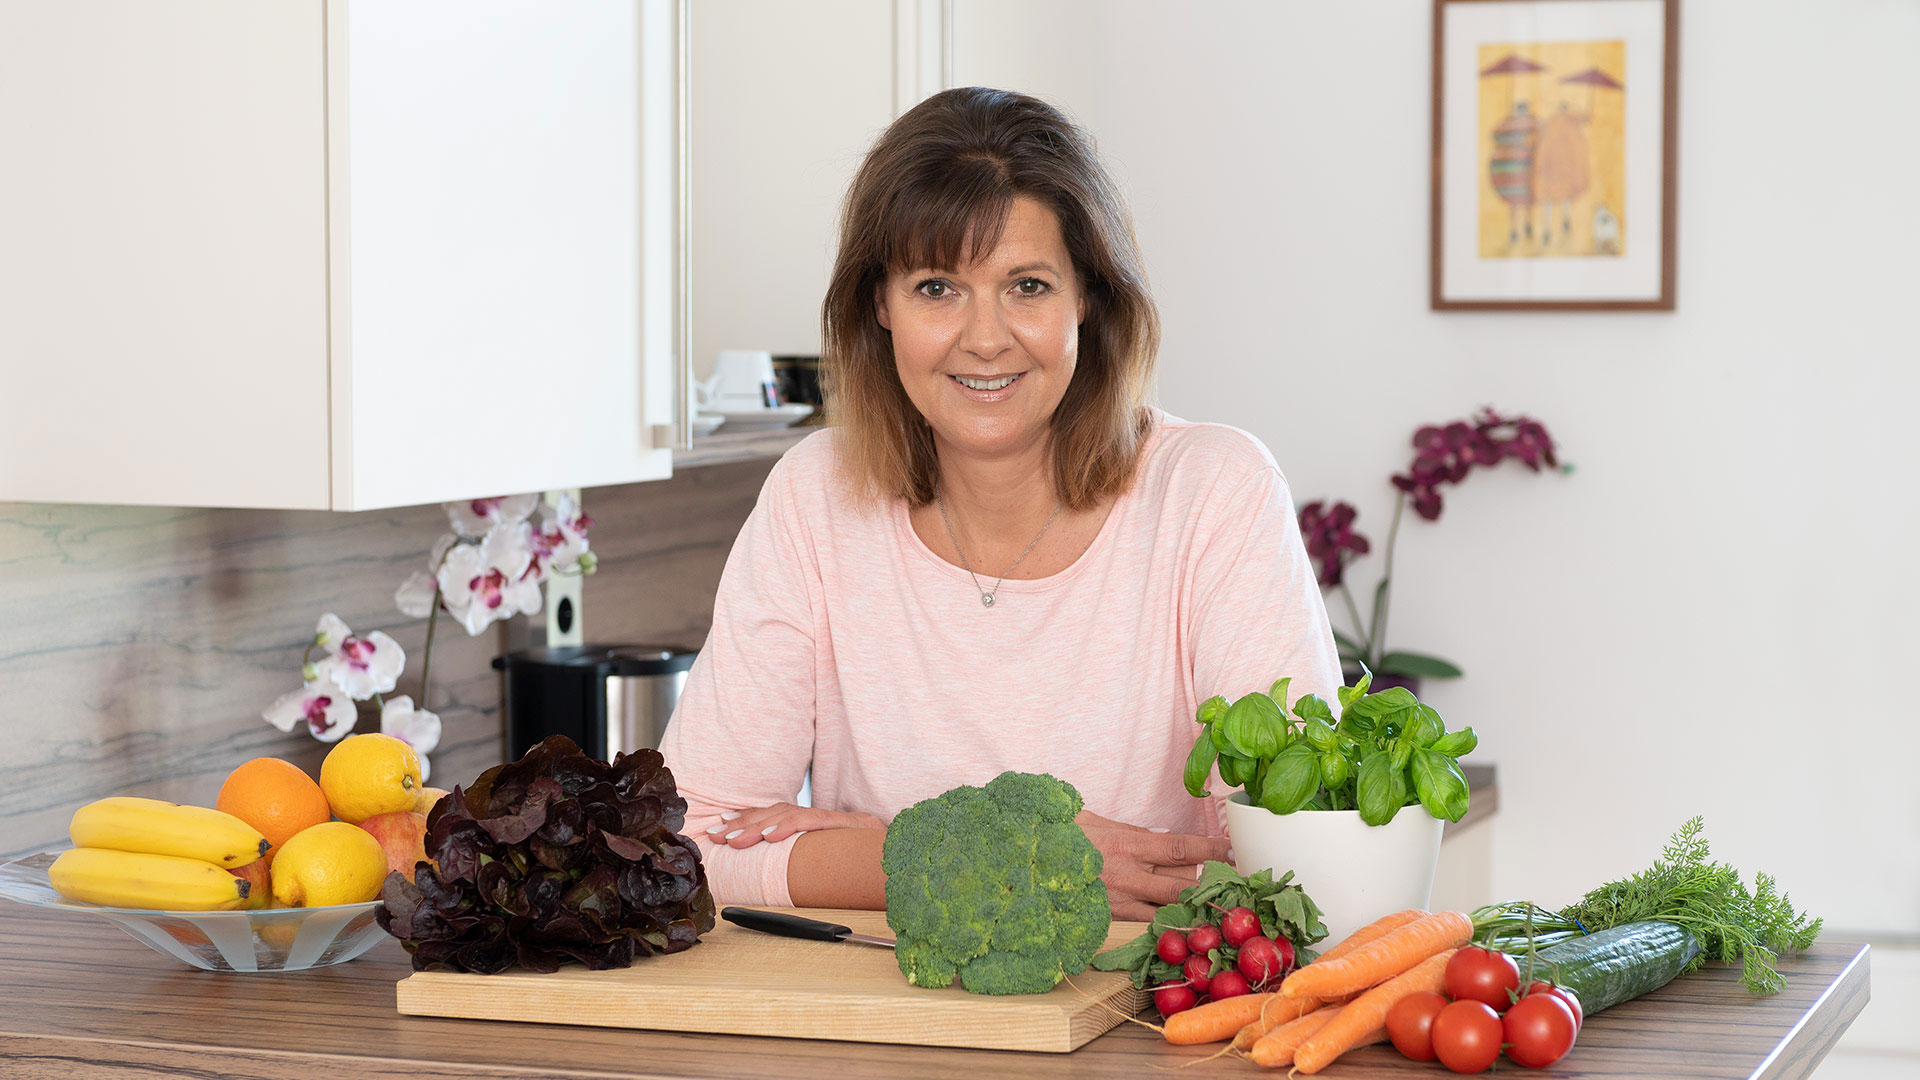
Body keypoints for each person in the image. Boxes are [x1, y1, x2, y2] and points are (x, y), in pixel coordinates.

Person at [656, 87, 1341, 921]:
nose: (985, 338)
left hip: (1150, 1000)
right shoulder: (815, 495)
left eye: (1027, 285)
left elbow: (1296, 858)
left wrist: (886, 848)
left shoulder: (1213, 492)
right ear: (880, 304)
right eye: (937, 287)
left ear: (1087, 297)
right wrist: (973, 853)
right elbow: (686, 848)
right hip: (884, 1004)